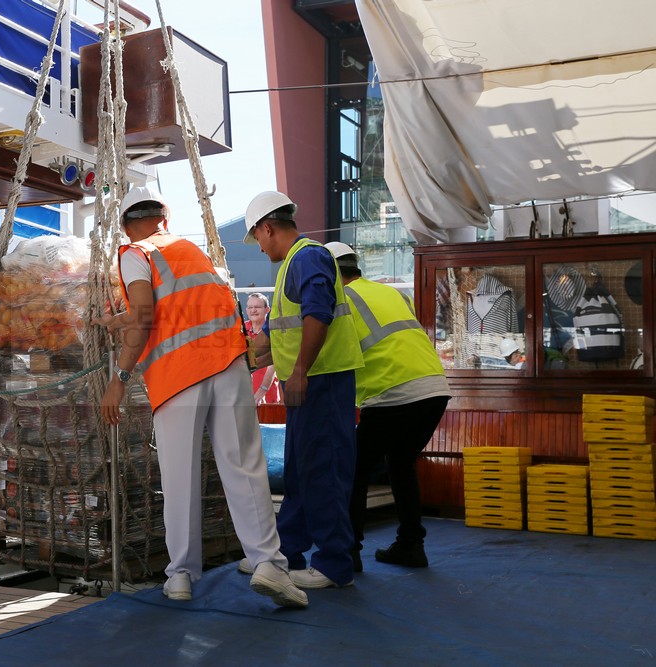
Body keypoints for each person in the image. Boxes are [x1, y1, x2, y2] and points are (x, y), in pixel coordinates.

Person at [95, 185, 307, 608]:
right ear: (165, 219)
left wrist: (118, 377)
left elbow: (143, 314)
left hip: (178, 379)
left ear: (125, 226)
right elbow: (177, 306)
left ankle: (180, 577)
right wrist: (120, 320)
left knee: (180, 478)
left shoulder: (136, 253)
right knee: (245, 467)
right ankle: (268, 563)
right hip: (227, 364)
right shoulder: (191, 251)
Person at [242, 191, 364, 589]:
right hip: (313, 383)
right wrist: (247, 357)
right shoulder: (293, 265)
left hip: (322, 382)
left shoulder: (308, 257)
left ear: (267, 228)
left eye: (256, 238)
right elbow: (282, 331)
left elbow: (318, 313)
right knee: (300, 471)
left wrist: (299, 372)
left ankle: (333, 564)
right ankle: (286, 553)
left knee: (323, 471)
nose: (258, 247)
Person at [324, 242, 451, 571]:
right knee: (401, 462)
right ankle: (411, 545)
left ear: (332, 274)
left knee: (355, 468)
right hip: (434, 388)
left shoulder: (340, 300)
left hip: (392, 392)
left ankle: (348, 552)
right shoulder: (392, 293)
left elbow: (330, 354)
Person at [244, 292, 282, 405]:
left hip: (268, 394)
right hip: (244, 395)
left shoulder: (273, 330)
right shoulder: (241, 330)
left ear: (267, 309)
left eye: (257, 307)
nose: (253, 310)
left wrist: (262, 390)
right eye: (250, 307)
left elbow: (274, 363)